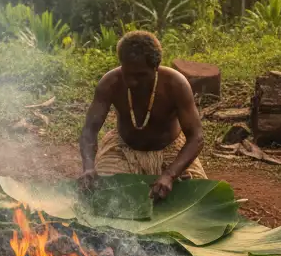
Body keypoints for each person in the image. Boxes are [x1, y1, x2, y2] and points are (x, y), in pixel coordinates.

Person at [78, 30, 206, 202]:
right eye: (127, 73)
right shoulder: (110, 83)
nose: (131, 81)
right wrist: (88, 167)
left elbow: (196, 137)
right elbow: (89, 130)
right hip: (123, 150)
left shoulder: (175, 84)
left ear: (156, 67)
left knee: (198, 201)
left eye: (140, 75)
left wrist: (169, 175)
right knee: (100, 196)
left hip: (170, 151)